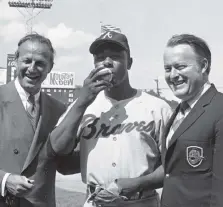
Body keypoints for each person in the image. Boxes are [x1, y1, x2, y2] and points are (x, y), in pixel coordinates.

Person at [51, 31, 170, 207]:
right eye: (100, 58)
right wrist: (82, 102)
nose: (106, 62)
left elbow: (173, 167)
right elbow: (56, 148)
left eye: (115, 56)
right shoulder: (83, 105)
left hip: (141, 200)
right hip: (96, 200)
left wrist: (138, 183)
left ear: (129, 62)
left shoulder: (157, 108)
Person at [0, 33, 80, 207]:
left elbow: (64, 164)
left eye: (40, 63)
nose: (32, 68)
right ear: (16, 60)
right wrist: (4, 180)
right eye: (27, 61)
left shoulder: (58, 110)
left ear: (50, 67)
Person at [161, 34, 223, 207]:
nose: (173, 75)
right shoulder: (178, 112)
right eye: (167, 68)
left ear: (203, 66)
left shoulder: (219, 109)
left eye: (180, 67)